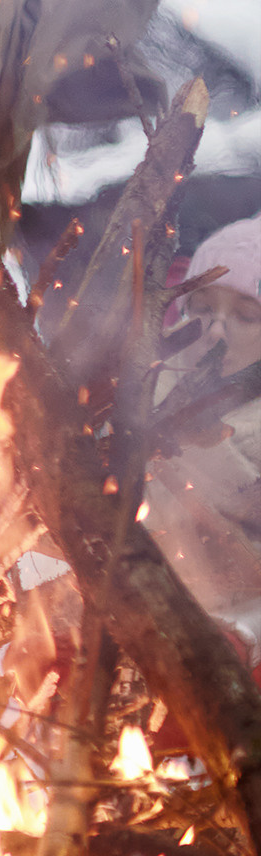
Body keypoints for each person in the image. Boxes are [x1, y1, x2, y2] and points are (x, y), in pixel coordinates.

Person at [144, 218, 261, 634]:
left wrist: (200, 443)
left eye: (246, 315)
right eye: (203, 308)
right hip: (130, 611)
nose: (214, 331)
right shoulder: (141, 382)